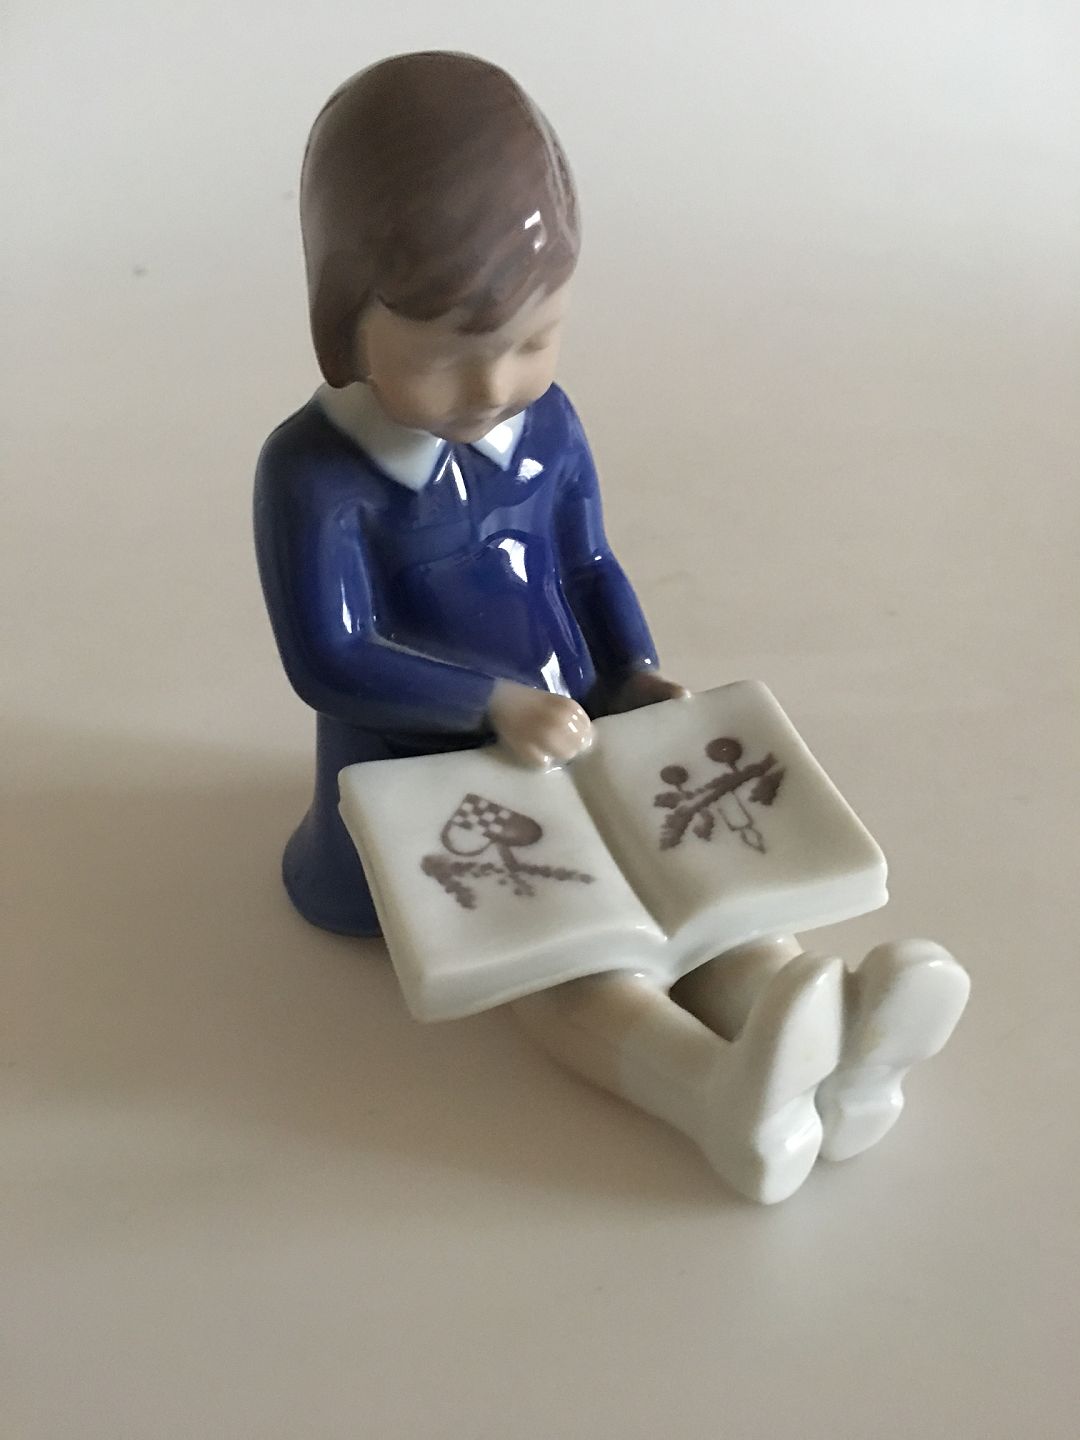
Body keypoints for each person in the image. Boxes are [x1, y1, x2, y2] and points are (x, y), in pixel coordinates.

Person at [255, 53, 969, 1202]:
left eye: (534, 341)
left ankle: (830, 1029)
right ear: (340, 323)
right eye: (444, 358)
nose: (495, 385)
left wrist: (632, 668)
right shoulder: (316, 476)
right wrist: (493, 706)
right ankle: (710, 1091)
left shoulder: (550, 429)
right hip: (432, 773)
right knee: (569, 946)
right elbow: (329, 655)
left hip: (589, 729)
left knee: (701, 889)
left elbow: (588, 563)